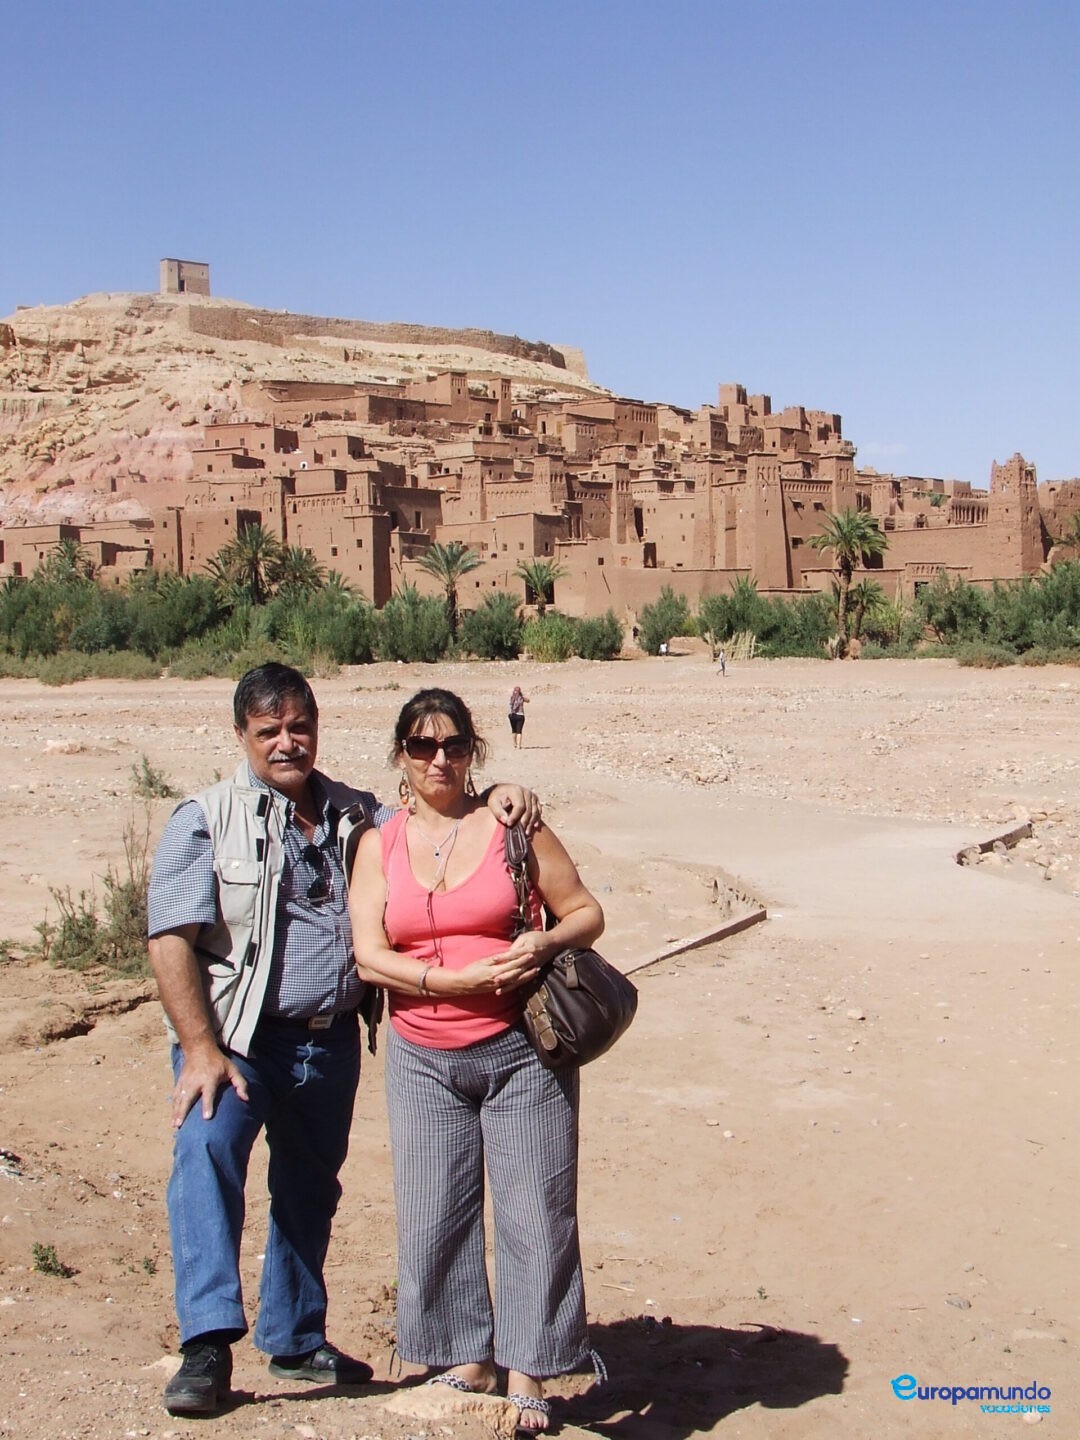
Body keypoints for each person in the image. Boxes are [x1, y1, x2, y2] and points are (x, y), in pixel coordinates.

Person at [147, 663, 539, 1417]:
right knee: (206, 1164)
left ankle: (294, 1335)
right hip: (234, 1042)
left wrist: (501, 796)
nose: (288, 743)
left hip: (325, 1042)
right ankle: (206, 1347)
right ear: (242, 737)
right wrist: (200, 1047)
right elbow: (171, 939)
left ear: (317, 728)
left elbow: (438, 804)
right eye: (270, 732)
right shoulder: (204, 817)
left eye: (300, 726)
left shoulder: (354, 813)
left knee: (308, 1188)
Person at [349, 688, 604, 1433]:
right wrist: (442, 981)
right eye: (423, 747)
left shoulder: (512, 826)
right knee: (433, 1214)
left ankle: (528, 1371)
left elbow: (586, 910)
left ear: (473, 752)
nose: (439, 759)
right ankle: (466, 1356)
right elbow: (369, 955)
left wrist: (547, 942)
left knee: (536, 1215)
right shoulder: (378, 844)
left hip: (524, 1051)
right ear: (401, 755)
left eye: (453, 745)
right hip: (422, 1056)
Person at [508, 684, 529, 749]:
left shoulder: (512, 698)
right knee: (519, 731)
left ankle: (514, 744)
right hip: (520, 715)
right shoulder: (521, 698)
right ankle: (519, 745)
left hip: (512, 715)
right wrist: (522, 696)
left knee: (514, 730)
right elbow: (528, 700)